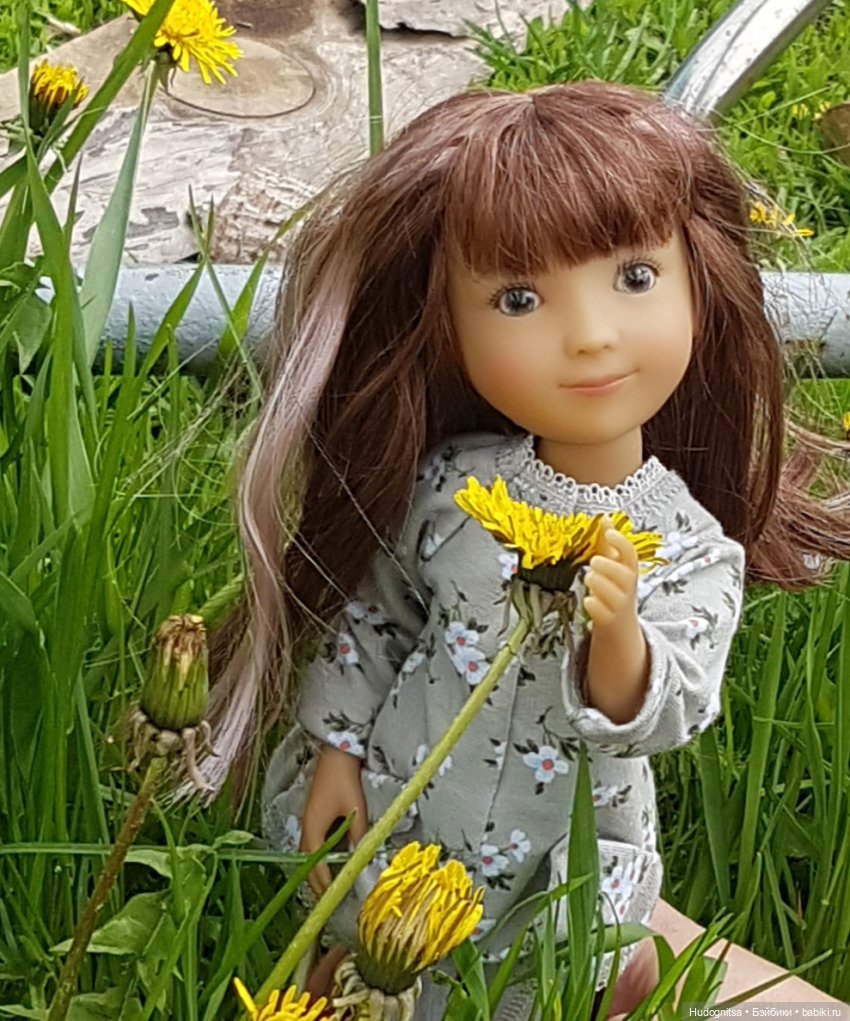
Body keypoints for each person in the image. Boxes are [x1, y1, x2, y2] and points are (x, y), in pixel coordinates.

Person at [209, 82, 850, 1016]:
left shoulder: (689, 548)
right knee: (360, 967)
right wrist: (337, 747)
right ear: (447, 323)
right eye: (519, 299)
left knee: (538, 986)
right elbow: (378, 617)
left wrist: (618, 636)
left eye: (636, 278)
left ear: (700, 284)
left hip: (557, 868)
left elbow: (668, 706)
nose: (590, 337)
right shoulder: (455, 489)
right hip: (407, 807)